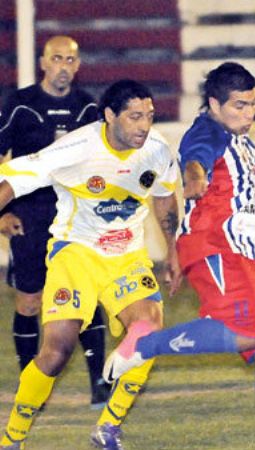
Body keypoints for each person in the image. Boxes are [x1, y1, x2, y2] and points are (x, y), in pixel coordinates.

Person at [102, 37, 255, 450]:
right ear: (214, 105)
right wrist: (195, 179)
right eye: (240, 106)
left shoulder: (235, 119)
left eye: (251, 104)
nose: (249, 112)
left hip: (247, 256)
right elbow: (195, 160)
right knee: (246, 333)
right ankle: (145, 344)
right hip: (215, 246)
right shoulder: (207, 130)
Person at [0, 79, 181, 450]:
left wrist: (173, 250)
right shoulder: (77, 147)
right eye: (134, 117)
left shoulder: (157, 149)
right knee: (56, 352)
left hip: (127, 257)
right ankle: (12, 437)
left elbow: (164, 196)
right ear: (110, 115)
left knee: (148, 332)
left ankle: (108, 428)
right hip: (76, 254)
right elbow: (13, 183)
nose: (144, 125)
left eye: (149, 116)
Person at [0, 35, 110, 409]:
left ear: (78, 65)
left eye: (70, 60)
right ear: (44, 63)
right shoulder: (20, 104)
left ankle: (99, 383)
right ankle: (31, 383)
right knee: (30, 301)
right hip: (29, 216)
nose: (63, 66)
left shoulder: (88, 107)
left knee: (85, 296)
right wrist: (2, 213)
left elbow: (103, 163)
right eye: (57, 58)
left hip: (75, 216)